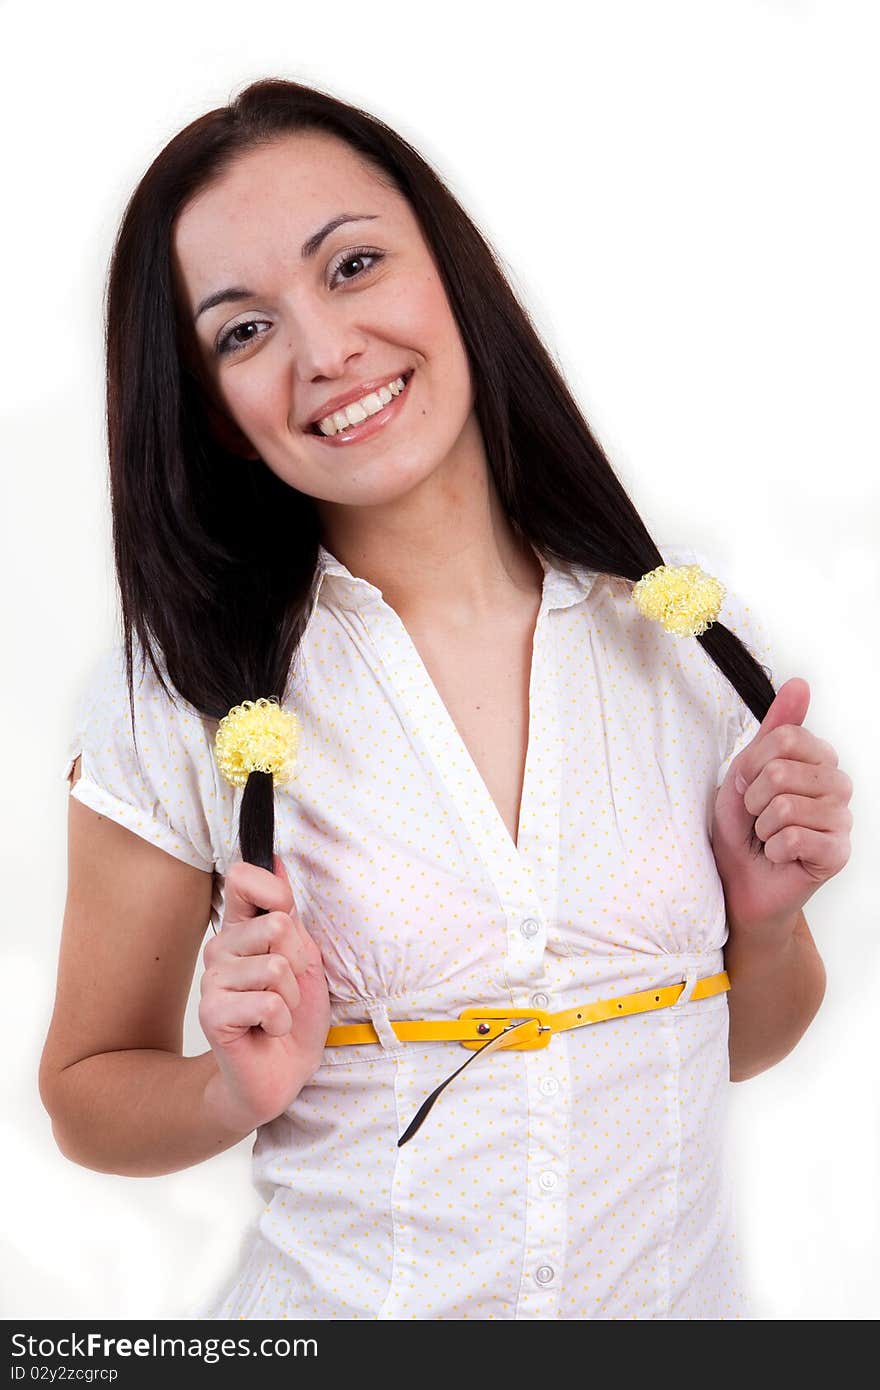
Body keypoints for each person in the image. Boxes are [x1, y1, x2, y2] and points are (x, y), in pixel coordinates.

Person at [39, 77, 853, 1320]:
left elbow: (735, 1047)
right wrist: (230, 1090)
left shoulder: (685, 643)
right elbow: (88, 1090)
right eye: (243, 331)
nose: (324, 352)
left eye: (353, 265)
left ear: (450, 271)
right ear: (213, 408)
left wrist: (767, 919)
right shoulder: (182, 692)